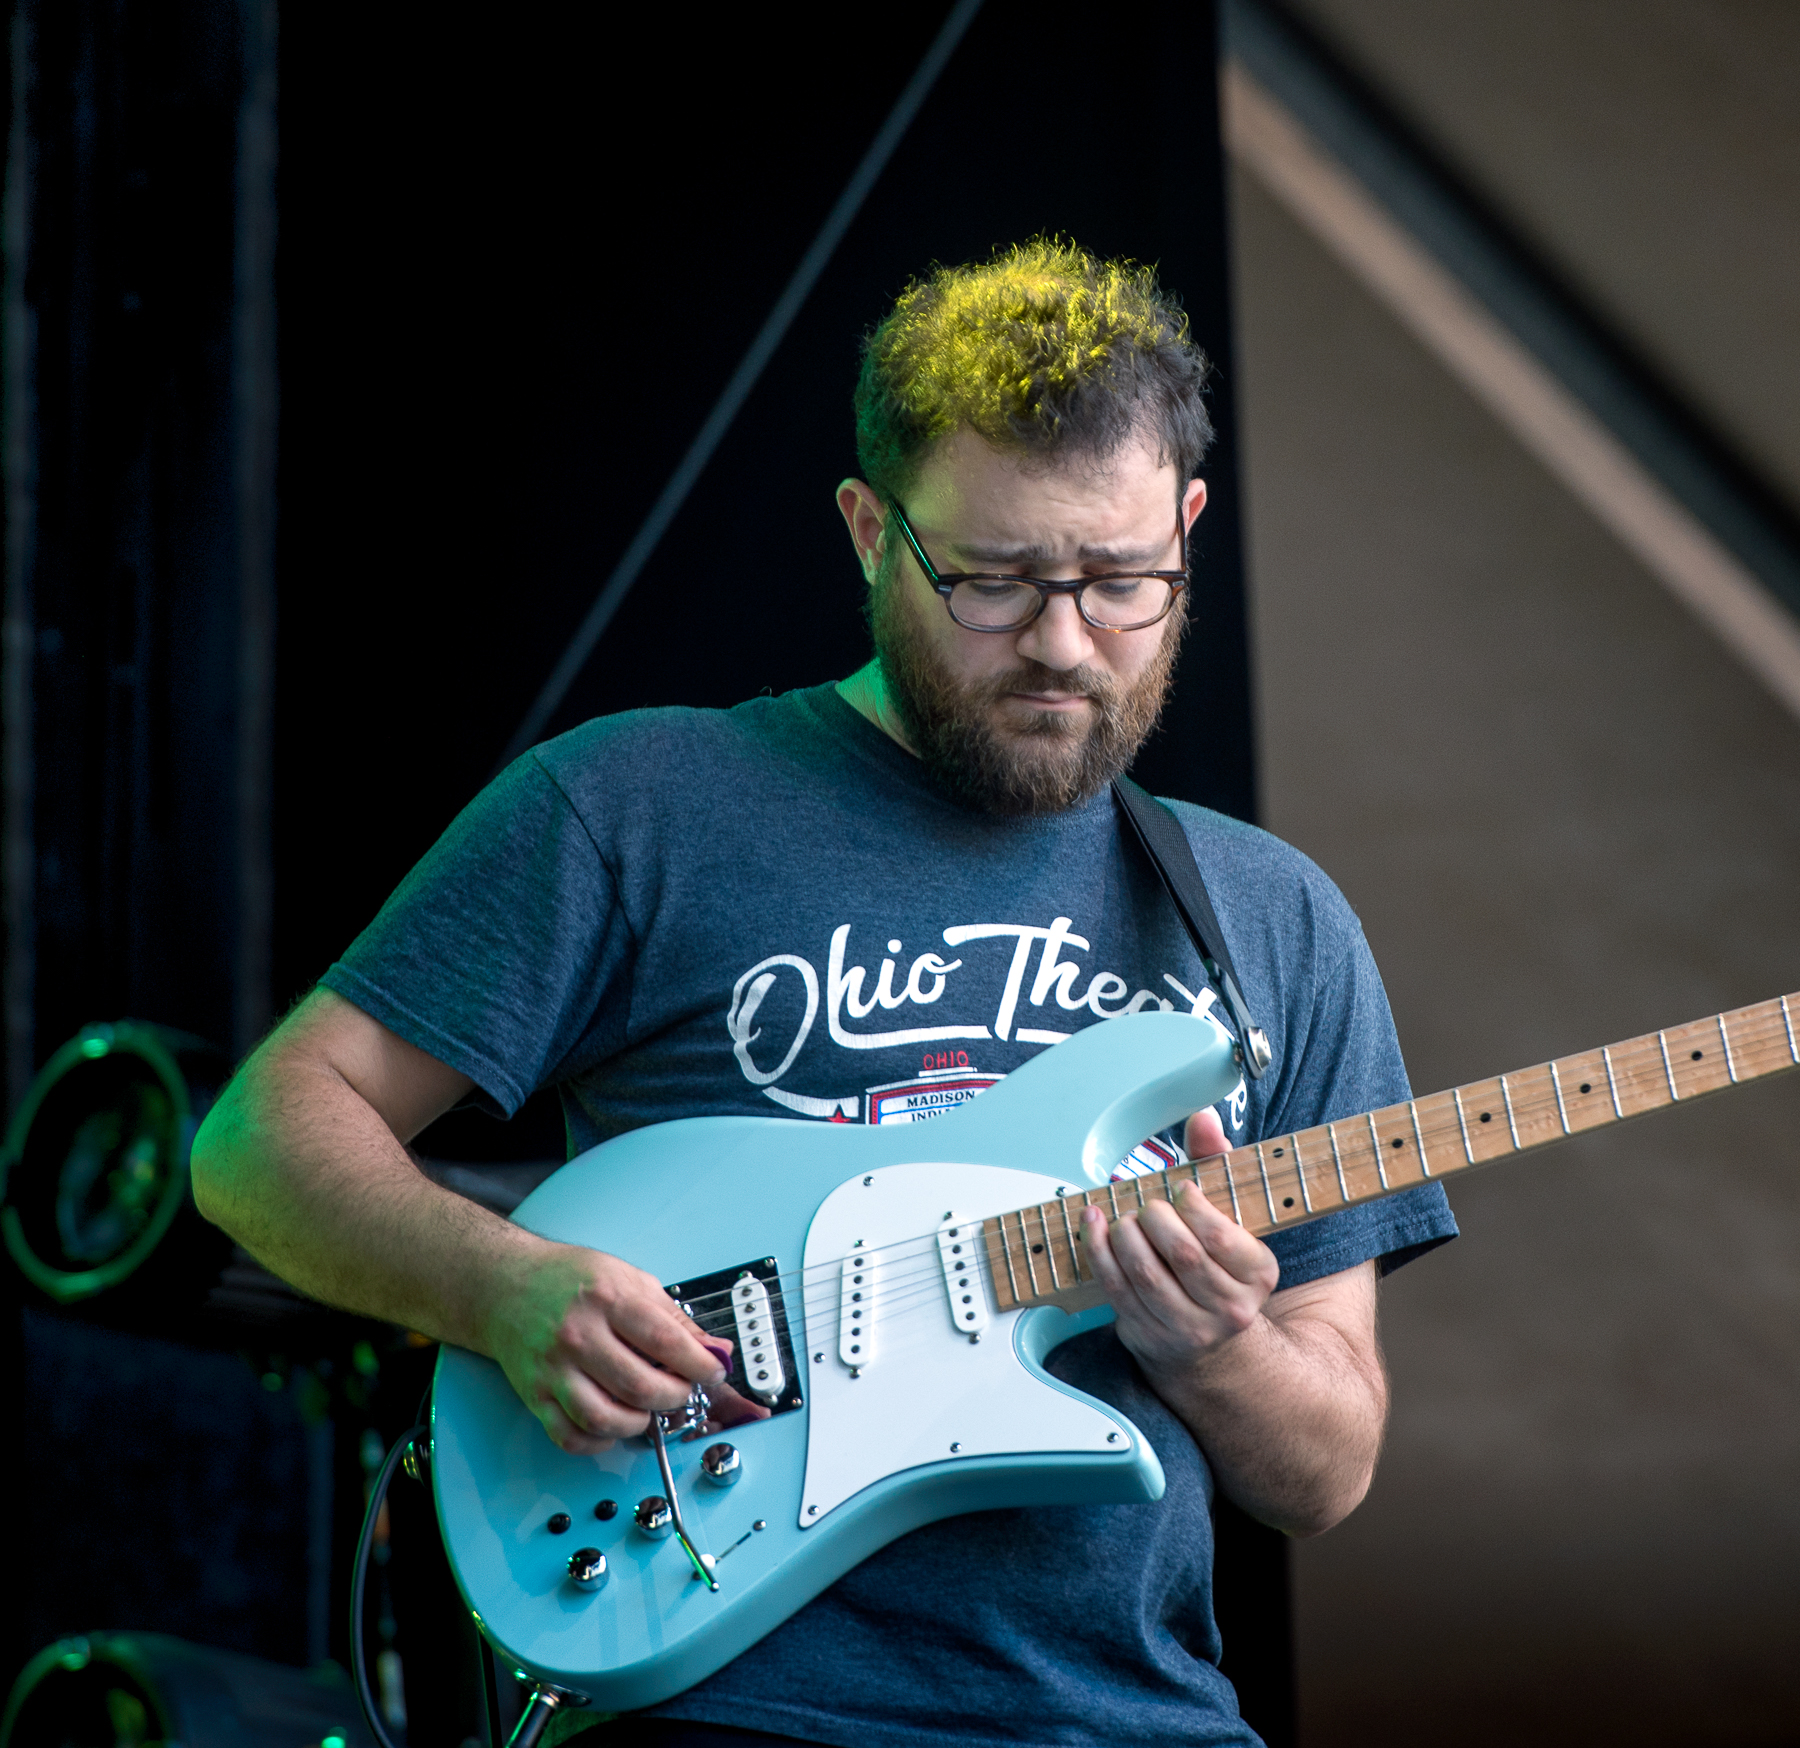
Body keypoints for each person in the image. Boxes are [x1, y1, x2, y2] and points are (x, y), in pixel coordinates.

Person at [191, 238, 1454, 1747]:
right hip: (716, 1691)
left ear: (1188, 527)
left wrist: (1218, 1344)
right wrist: (502, 1287)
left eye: (1121, 583)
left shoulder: (1271, 922)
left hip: (1129, 1720)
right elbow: (255, 1141)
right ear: (869, 532)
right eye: (991, 583)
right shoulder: (639, 804)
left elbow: (1324, 1476)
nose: (1063, 643)